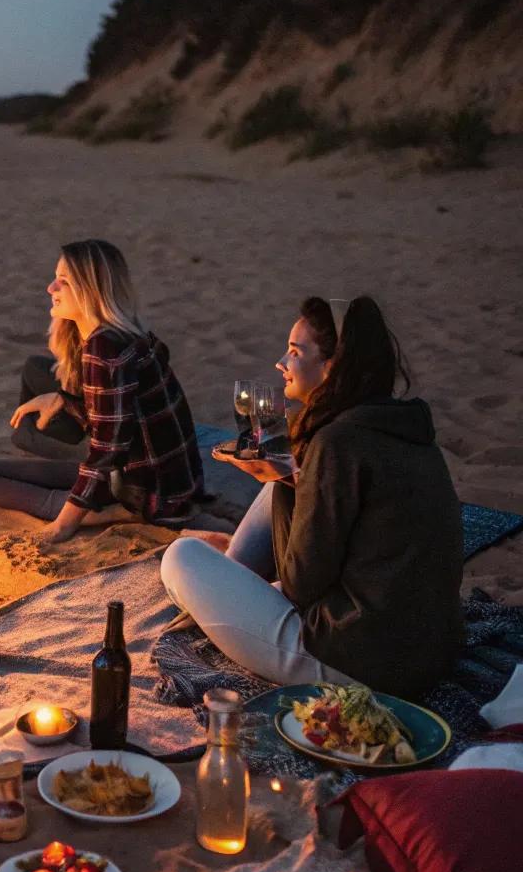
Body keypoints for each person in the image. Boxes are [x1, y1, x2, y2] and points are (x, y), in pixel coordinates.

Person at [160, 296, 463, 696]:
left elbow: (302, 584)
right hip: (429, 651)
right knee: (280, 480)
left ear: (333, 366)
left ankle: (222, 593)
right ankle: (232, 585)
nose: (281, 363)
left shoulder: (338, 442)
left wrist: (297, 482)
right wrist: (293, 479)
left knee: (181, 558)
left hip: (361, 663)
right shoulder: (401, 427)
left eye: (295, 351)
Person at [0, 239, 204, 543]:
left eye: (64, 281)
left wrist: (64, 524)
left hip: (147, 494)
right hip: (171, 483)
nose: (51, 288)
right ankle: (86, 499)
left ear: (91, 291)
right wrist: (62, 398)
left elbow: (107, 450)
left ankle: (104, 513)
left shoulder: (104, 349)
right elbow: (118, 417)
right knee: (35, 374)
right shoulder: (121, 333)